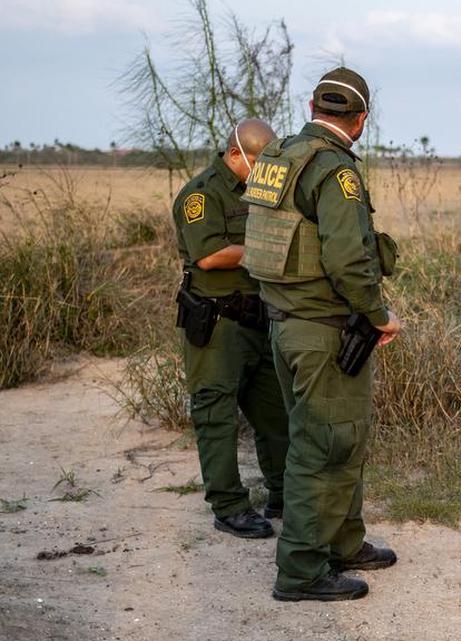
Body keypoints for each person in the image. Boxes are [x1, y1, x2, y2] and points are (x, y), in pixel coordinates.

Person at [241, 67, 402, 602]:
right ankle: (303, 570)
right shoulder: (335, 170)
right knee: (325, 445)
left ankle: (344, 543)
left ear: (312, 105)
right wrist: (380, 315)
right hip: (323, 330)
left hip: (283, 323)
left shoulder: (278, 156)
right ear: (360, 119)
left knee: (334, 437)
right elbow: (348, 259)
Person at [171, 118, 290, 539]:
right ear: (236, 154)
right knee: (216, 415)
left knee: (276, 414)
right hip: (217, 325)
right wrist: (266, 249)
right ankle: (228, 505)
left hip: (258, 320)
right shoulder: (201, 195)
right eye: (258, 163)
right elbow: (209, 255)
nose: (263, 172)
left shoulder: (261, 191)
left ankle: (283, 494)